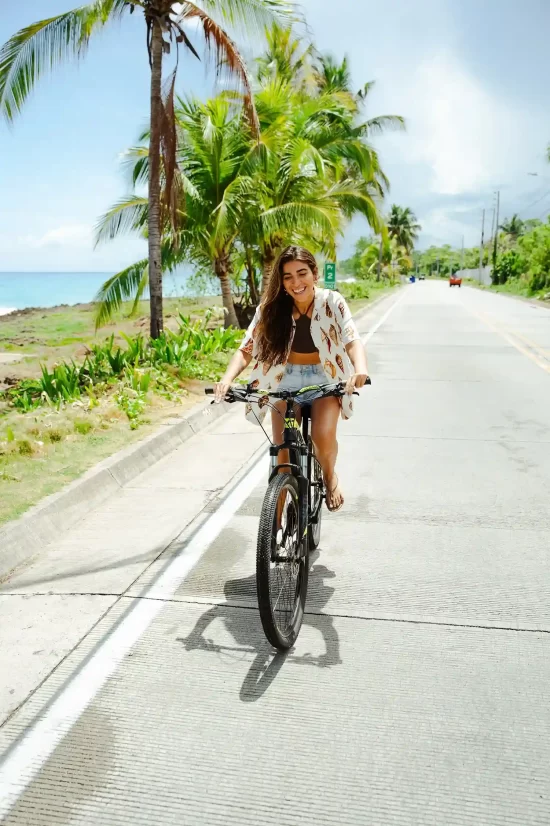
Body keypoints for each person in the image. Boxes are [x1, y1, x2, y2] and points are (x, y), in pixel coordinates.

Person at [214, 245, 369, 512]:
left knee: (322, 436)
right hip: (284, 380)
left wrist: (360, 369)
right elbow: (246, 349)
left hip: (325, 378)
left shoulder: (333, 302)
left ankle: (330, 475)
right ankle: (273, 523)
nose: (296, 283)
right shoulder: (272, 309)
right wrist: (226, 379)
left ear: (314, 274)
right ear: (281, 281)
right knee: (282, 454)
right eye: (288, 277)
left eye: (302, 273)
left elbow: (352, 339)